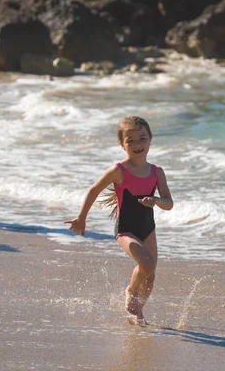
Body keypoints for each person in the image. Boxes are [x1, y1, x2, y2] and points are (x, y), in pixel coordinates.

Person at [64, 116, 174, 322]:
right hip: (125, 230)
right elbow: (94, 190)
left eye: (142, 138)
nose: (137, 144)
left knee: (150, 277)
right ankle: (131, 290)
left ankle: (138, 313)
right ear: (122, 145)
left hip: (148, 228)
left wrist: (157, 200)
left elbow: (169, 203)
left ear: (150, 139)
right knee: (147, 265)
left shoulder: (157, 172)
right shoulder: (119, 171)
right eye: (130, 140)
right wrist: (81, 218)